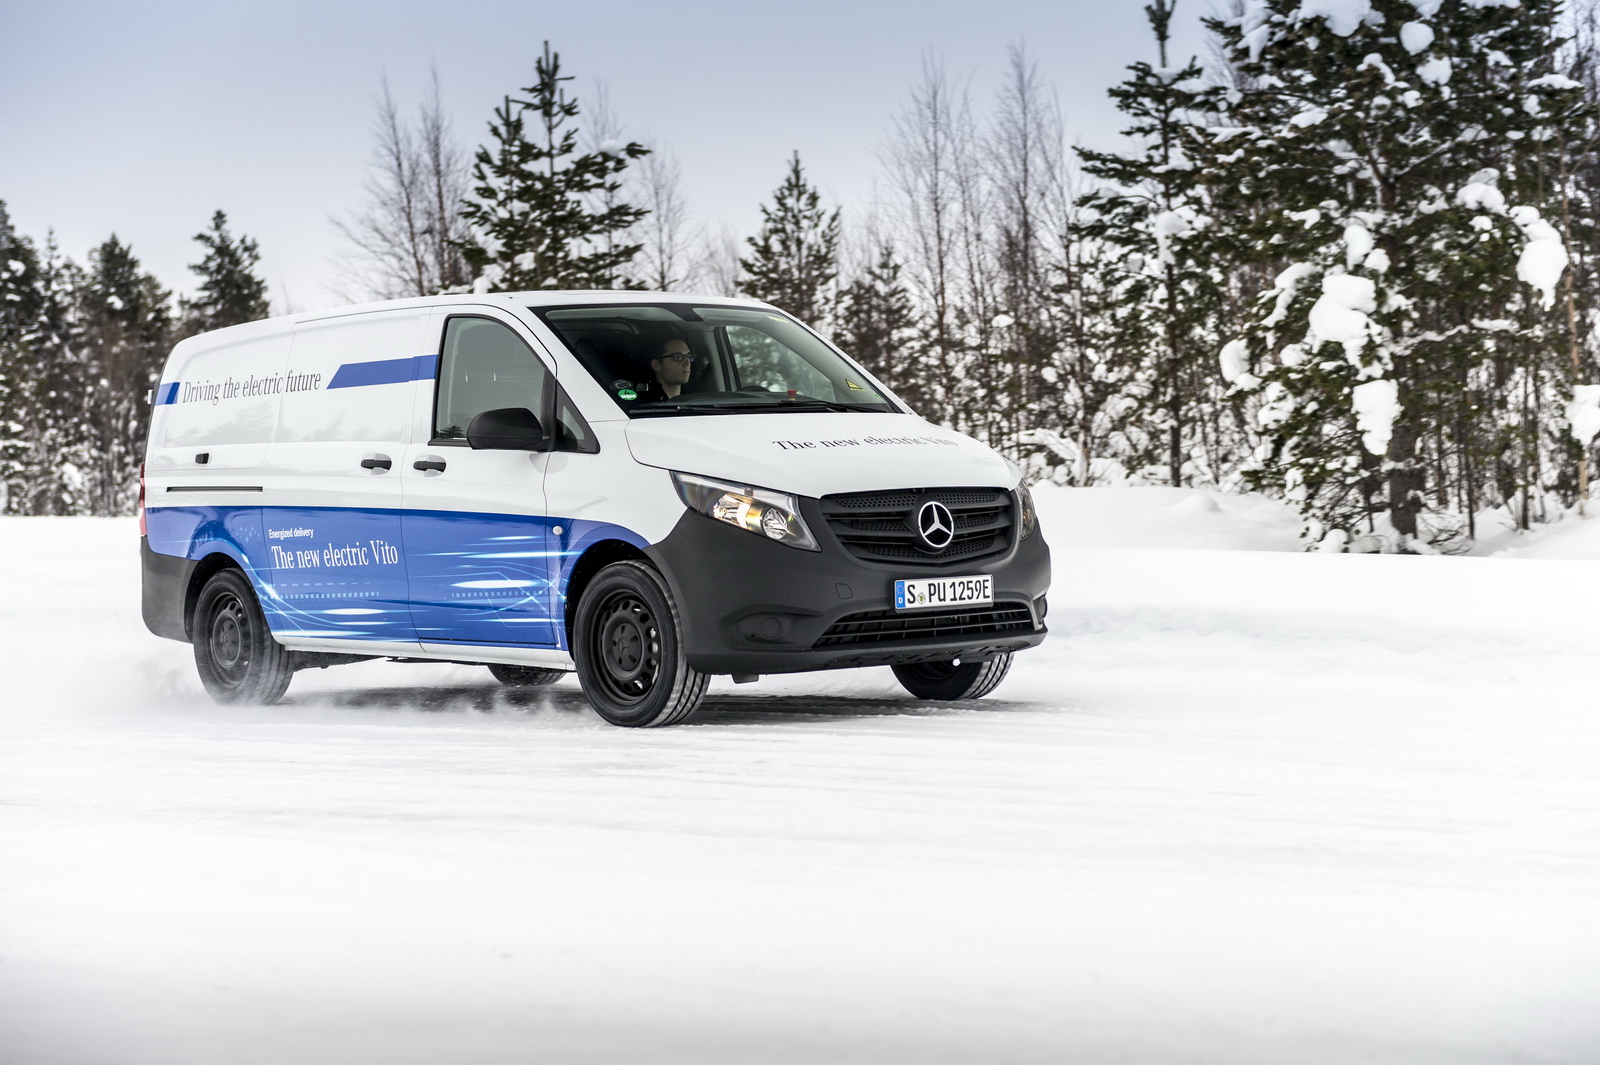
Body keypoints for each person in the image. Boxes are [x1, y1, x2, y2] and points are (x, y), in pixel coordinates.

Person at [640, 336, 693, 401]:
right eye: (678, 357)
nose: (687, 363)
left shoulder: (694, 400)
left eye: (688, 356)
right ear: (656, 365)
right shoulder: (644, 404)